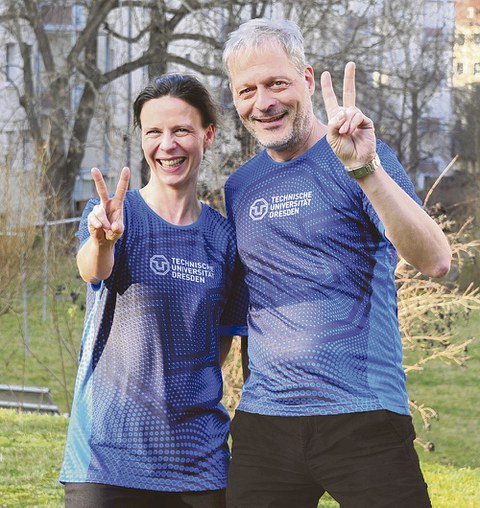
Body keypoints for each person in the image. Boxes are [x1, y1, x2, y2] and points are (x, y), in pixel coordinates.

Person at [222, 18, 451, 508]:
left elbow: (435, 261)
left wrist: (365, 171)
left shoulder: (365, 158)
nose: (264, 102)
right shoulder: (240, 187)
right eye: (247, 90)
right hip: (266, 423)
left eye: (276, 83)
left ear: (306, 79)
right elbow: (243, 306)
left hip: (363, 416)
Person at [59, 73, 247, 508]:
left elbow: (217, 344)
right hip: (107, 457)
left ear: (208, 134)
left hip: (198, 462)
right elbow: (92, 268)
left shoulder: (224, 239)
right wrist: (103, 240)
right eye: (154, 132)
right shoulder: (115, 216)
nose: (168, 145)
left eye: (181, 130)